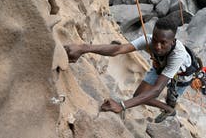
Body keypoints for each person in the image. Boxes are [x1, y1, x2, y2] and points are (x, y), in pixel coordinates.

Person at [64, 11, 195, 123]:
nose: (157, 46)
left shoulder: (178, 55)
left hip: (181, 77)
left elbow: (156, 90)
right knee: (138, 95)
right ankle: (168, 110)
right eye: (155, 40)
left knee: (169, 98)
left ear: (173, 42)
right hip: (160, 66)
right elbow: (118, 49)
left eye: (163, 43)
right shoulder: (149, 40)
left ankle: (170, 107)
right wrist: (83, 48)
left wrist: (121, 106)